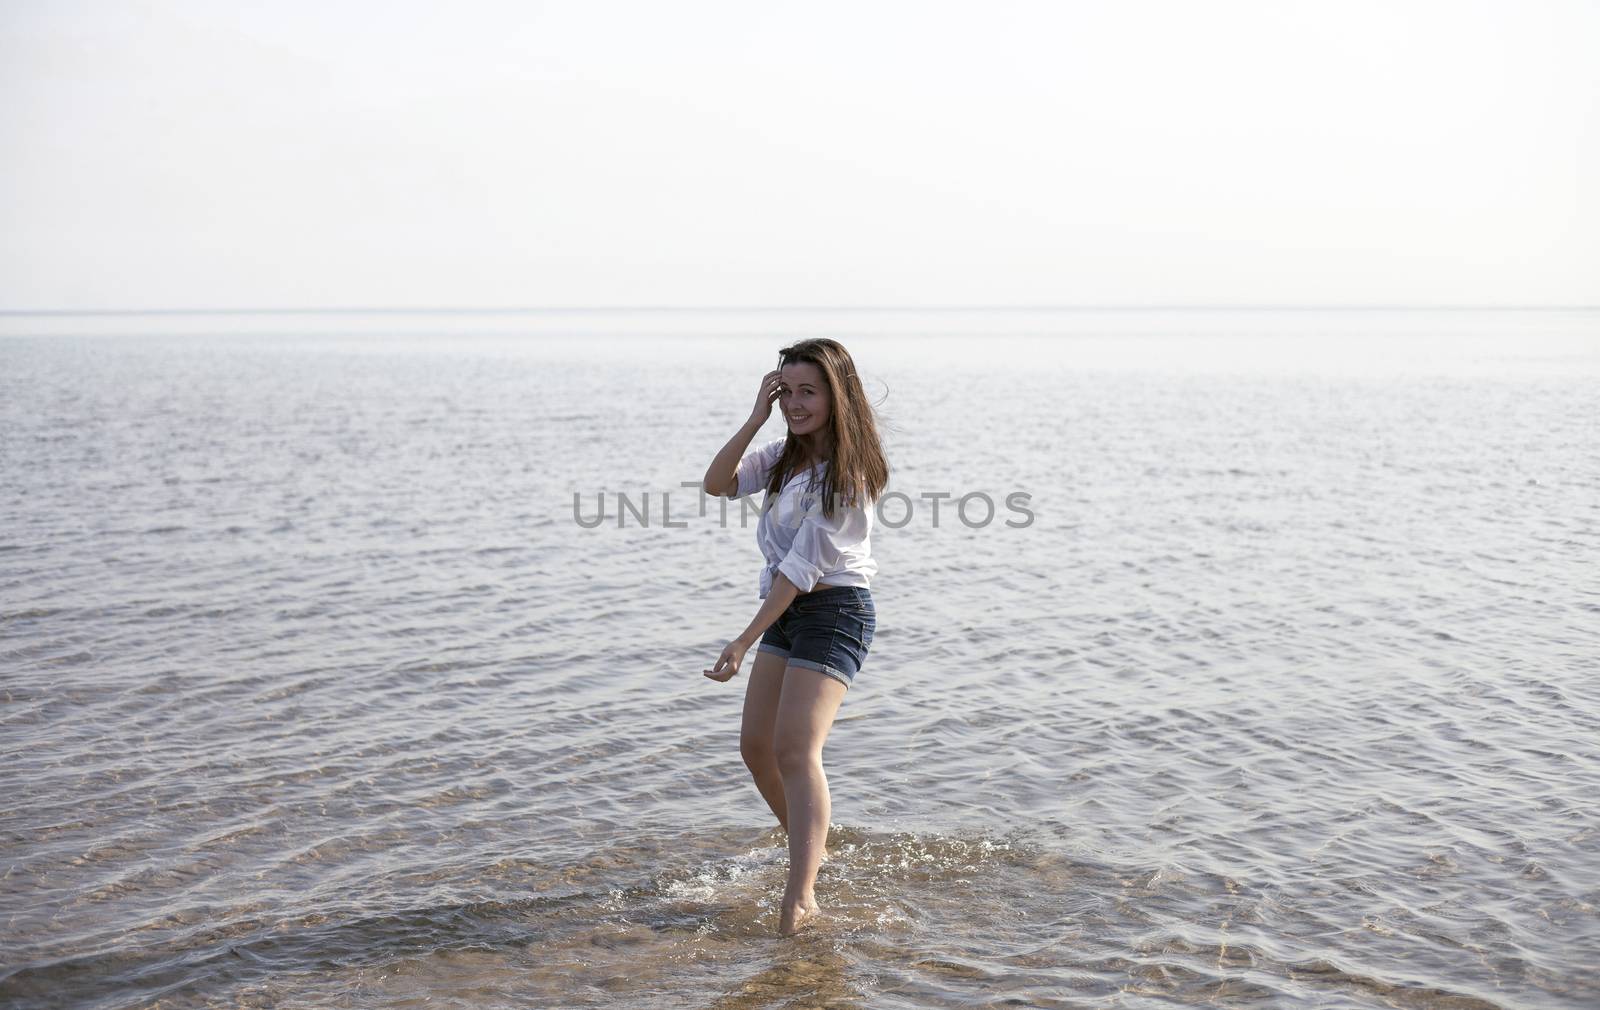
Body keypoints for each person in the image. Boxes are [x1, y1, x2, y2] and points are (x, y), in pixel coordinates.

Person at [700, 338, 890, 937]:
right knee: (756, 746)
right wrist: (755, 417)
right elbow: (716, 483)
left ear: (838, 395)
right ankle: (812, 851)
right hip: (786, 609)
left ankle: (802, 894)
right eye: (788, 392)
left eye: (808, 391)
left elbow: (801, 570)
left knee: (795, 750)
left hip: (834, 610)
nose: (796, 404)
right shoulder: (783, 455)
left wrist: (742, 641)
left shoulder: (848, 474)